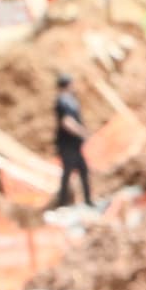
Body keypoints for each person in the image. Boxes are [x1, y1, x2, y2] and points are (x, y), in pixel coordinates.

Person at [51, 72, 93, 211]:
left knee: (81, 170)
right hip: (68, 145)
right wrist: (82, 132)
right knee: (70, 172)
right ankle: (63, 203)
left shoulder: (67, 100)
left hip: (73, 145)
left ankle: (86, 201)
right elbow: (67, 122)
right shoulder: (64, 101)